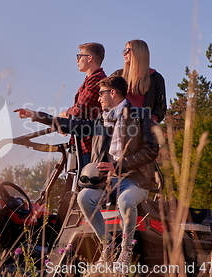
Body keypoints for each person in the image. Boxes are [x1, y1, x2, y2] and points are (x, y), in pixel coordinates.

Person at [14, 76, 159, 272]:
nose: (99, 98)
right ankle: (107, 247)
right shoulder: (101, 119)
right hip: (106, 182)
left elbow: (151, 150)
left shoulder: (141, 115)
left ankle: (125, 251)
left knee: (126, 202)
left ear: (113, 93)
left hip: (135, 180)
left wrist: (119, 165)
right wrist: (36, 115)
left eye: (102, 93)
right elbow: (72, 126)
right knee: (85, 198)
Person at [58, 42, 107, 166]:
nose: (77, 60)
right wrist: (66, 124)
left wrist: (64, 115)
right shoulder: (90, 80)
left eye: (79, 56)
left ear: (90, 58)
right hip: (82, 142)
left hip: (89, 144)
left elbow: (81, 110)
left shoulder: (97, 80)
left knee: (86, 182)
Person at [112, 39, 167, 123]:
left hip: (143, 126)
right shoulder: (118, 75)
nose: (124, 54)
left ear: (139, 52)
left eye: (127, 50)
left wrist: (152, 119)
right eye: (124, 51)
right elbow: (106, 98)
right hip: (119, 124)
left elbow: (160, 106)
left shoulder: (155, 78)